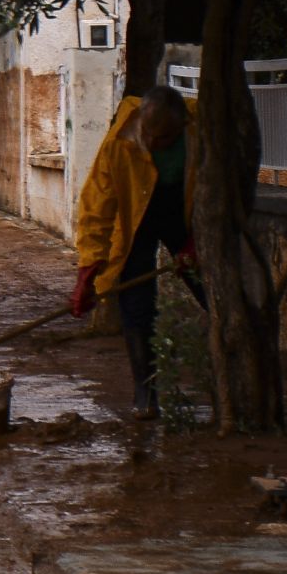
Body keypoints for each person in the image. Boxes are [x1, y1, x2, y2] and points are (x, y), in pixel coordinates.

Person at [71, 83, 203, 419]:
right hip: (137, 221)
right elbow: (96, 205)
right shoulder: (120, 142)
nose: (155, 145)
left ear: (181, 127)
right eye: (151, 137)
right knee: (137, 303)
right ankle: (146, 393)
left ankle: (231, 372)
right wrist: (89, 269)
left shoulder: (201, 128)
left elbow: (218, 184)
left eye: (164, 140)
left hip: (183, 216)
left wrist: (197, 240)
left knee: (211, 289)